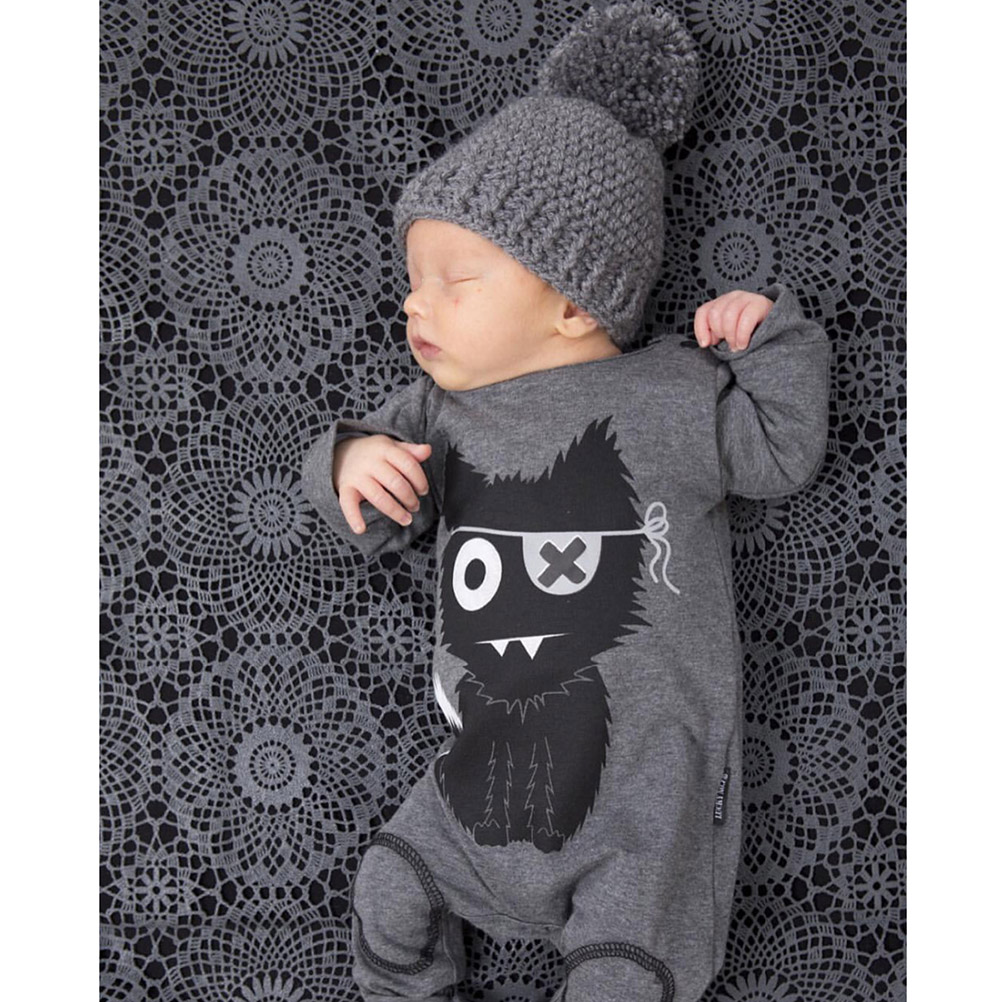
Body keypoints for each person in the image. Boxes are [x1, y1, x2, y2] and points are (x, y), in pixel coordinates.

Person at [301, 3, 831, 1000]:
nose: (414, 303)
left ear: (573, 303)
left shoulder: (671, 394)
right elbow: (374, 513)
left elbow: (782, 450)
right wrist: (349, 466)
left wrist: (768, 340)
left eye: (454, 279)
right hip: (484, 777)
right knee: (389, 887)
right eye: (412, 281)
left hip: (647, 801)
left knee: (627, 975)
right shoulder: (437, 414)